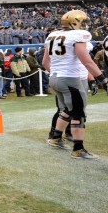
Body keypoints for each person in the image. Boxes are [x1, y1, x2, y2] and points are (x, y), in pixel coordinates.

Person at [43, 10, 108, 159]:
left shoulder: (52, 35)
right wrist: (102, 80)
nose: (84, 25)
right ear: (74, 23)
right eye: (82, 22)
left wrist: (57, 73)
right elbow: (87, 61)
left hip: (55, 78)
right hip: (70, 79)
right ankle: (78, 149)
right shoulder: (77, 36)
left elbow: (45, 62)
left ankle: (55, 138)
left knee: (66, 109)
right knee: (79, 114)